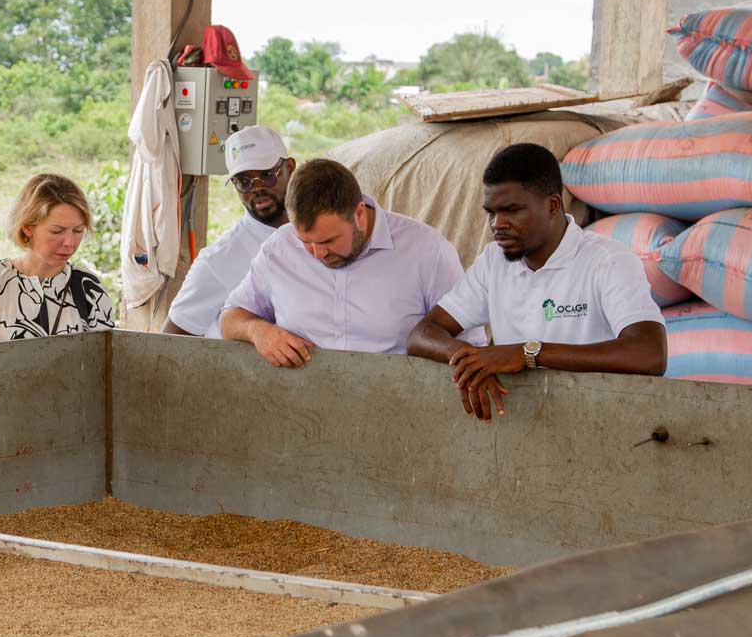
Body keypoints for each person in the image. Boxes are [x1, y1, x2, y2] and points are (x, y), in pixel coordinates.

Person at [408, 143, 667, 421]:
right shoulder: (494, 260)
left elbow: (649, 354)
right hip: (521, 427)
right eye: (491, 212)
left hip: (599, 423)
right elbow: (422, 334)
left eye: (512, 210)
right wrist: (473, 362)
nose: (497, 224)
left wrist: (528, 353)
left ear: (552, 205)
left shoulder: (608, 260)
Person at [220, 158, 478, 367]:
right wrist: (259, 332)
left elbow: (469, 344)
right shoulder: (279, 248)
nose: (317, 254)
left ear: (359, 214)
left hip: (397, 405)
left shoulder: (428, 252)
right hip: (298, 406)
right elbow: (231, 317)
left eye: (328, 241)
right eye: (305, 241)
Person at [166, 126, 296, 338]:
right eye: (244, 182)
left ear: (290, 168)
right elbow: (170, 342)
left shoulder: (318, 237)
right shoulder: (217, 262)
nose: (257, 188)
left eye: (267, 176)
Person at [0, 173, 116, 341]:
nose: (70, 243)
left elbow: (105, 353)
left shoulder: (90, 288)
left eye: (78, 230)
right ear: (27, 227)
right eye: (57, 231)